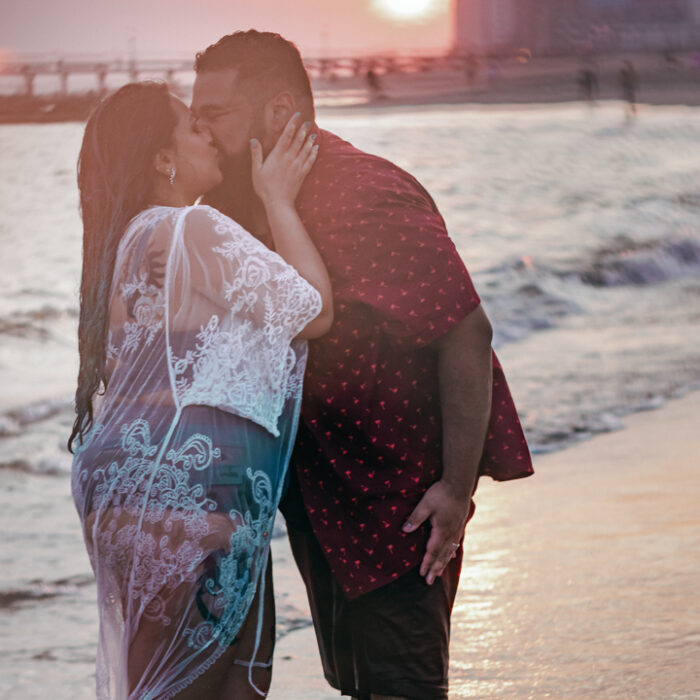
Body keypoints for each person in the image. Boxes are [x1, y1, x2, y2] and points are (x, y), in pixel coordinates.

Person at [192, 30, 534, 700]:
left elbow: (465, 330)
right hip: (324, 499)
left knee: (403, 687)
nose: (201, 130)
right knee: (358, 684)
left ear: (280, 111)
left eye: (216, 114)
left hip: (396, 510)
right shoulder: (247, 203)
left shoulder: (364, 191)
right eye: (194, 114)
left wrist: (457, 491)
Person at [68, 81, 332, 699]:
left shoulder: (126, 243)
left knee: (169, 678)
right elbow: (312, 311)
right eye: (192, 127)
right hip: (187, 483)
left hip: (121, 481)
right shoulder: (191, 229)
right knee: (220, 679)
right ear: (162, 157)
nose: (207, 133)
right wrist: (280, 201)